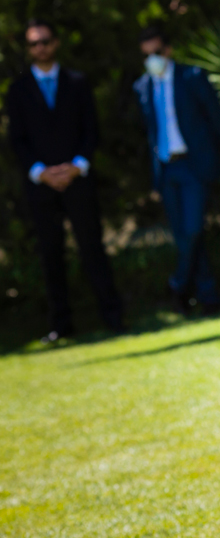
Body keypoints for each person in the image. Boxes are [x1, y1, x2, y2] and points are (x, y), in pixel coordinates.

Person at [6, 19, 124, 342]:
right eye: (34, 44)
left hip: (78, 179)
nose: (40, 47)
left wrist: (76, 167)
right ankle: (60, 324)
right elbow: (18, 140)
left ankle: (113, 317)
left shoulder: (77, 82)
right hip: (41, 185)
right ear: (28, 49)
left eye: (45, 41)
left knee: (92, 248)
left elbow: (91, 130)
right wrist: (41, 172)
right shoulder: (18, 91)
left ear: (55, 43)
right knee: (50, 253)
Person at [133, 26, 220, 314]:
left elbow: (216, 122)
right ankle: (205, 297)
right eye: (147, 55)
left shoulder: (192, 77)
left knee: (194, 230)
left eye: (157, 53)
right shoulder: (143, 87)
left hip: (192, 166)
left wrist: (212, 159)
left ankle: (177, 284)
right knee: (184, 236)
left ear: (168, 50)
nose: (153, 60)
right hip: (166, 169)